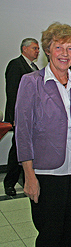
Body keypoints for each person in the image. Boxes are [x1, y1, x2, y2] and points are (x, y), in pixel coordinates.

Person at [15, 22, 71, 247]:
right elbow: (23, 132)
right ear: (47, 50)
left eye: (70, 48)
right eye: (59, 47)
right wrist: (29, 176)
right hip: (45, 174)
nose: (64, 54)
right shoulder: (32, 82)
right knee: (49, 236)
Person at [3, 38, 40, 196]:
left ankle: (27, 179)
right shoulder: (16, 64)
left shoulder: (34, 67)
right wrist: (13, 117)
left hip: (33, 116)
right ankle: (9, 183)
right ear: (24, 49)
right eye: (34, 48)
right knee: (17, 150)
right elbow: (12, 93)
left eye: (38, 49)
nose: (37, 51)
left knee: (27, 150)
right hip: (20, 116)